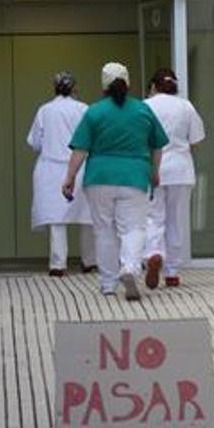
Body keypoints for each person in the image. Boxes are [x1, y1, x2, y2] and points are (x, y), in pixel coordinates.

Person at [62, 62, 169, 301]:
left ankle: (108, 284)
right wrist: (155, 171)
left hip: (99, 177)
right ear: (128, 83)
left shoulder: (94, 112)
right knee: (134, 228)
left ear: (104, 86)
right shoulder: (143, 110)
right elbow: (158, 145)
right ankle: (130, 267)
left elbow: (80, 149)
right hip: (135, 176)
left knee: (104, 231)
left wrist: (69, 177)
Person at [27, 71, 96, 277]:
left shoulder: (45, 110)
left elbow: (34, 142)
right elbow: (92, 138)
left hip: (50, 169)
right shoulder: (84, 109)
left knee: (57, 218)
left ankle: (58, 264)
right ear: (74, 89)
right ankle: (89, 261)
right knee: (87, 216)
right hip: (80, 166)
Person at [142, 68, 205, 288]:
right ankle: (172, 271)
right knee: (175, 220)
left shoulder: (146, 106)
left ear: (153, 86)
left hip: (154, 168)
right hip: (181, 169)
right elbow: (197, 140)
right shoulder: (186, 106)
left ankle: (153, 253)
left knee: (153, 217)